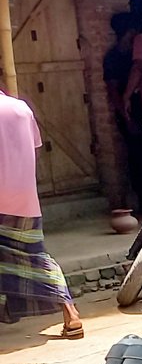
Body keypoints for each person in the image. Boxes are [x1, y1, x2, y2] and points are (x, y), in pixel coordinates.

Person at [0, 89, 82, 338]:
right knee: (35, 254)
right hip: (24, 196)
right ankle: (70, 313)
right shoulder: (21, 108)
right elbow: (35, 150)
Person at [104, 13, 142, 212]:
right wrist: (126, 117)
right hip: (131, 111)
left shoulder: (135, 52)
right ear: (130, 32)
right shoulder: (115, 58)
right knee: (138, 158)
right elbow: (113, 90)